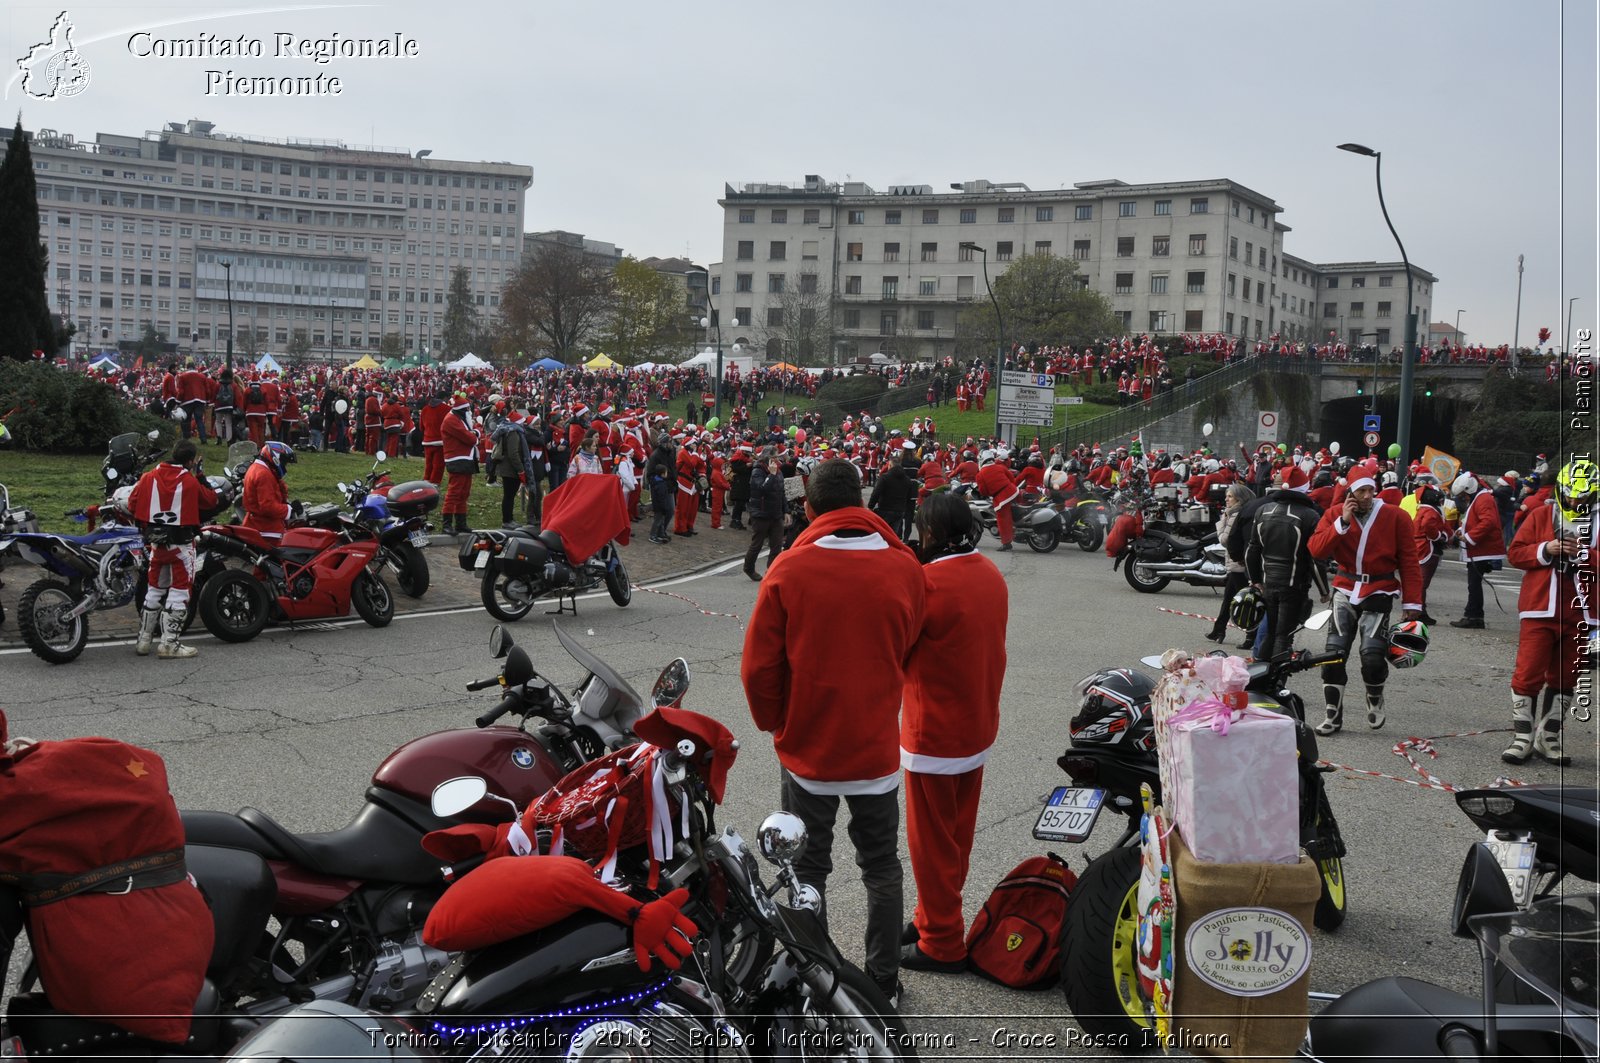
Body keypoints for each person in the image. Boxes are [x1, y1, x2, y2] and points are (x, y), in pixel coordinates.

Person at [742, 459, 926, 1003]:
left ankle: (818, 981)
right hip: (874, 745)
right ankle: (884, 982)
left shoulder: (789, 570)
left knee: (806, 869)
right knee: (881, 866)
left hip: (809, 747)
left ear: (809, 508)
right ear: (863, 504)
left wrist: (776, 721)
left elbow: (758, 669)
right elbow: (910, 642)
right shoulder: (905, 566)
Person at [900, 493, 1007, 974]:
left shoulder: (927, 583)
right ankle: (933, 917)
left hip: (933, 730)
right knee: (955, 836)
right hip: (976, 721)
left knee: (931, 843)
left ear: (930, 533)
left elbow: (896, 650)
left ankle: (942, 939)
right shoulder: (988, 572)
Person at [1307, 471, 1423, 734]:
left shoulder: (1396, 516)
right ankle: (1333, 715)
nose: (1368, 496)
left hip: (1380, 589)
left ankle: (1374, 695)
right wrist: (1342, 523)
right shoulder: (1335, 514)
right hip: (1345, 588)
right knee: (1333, 655)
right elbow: (1316, 550)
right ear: (1350, 493)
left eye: (1371, 490)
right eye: (1361, 491)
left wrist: (1413, 603)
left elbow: (1409, 561)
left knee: (1371, 656)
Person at [1501, 458, 1597, 765]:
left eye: (1583, 496)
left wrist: (1585, 554)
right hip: (1540, 607)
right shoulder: (1542, 513)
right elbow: (1515, 553)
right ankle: (1522, 737)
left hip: (1583, 613)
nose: (1575, 500)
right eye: (1570, 494)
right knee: (1527, 674)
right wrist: (1545, 549)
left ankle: (1548, 736)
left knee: (1567, 676)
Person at [128, 439, 217, 660]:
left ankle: (144, 640)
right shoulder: (189, 480)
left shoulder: (148, 477)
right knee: (179, 591)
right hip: (181, 544)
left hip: (157, 544)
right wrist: (200, 475)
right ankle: (169, 643)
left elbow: (132, 503)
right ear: (189, 460)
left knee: (154, 590)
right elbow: (211, 501)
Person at [1231, 465, 1329, 660]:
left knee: (1269, 631)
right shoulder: (1310, 515)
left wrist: (1255, 580)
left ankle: (1262, 674)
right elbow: (1315, 559)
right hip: (1294, 585)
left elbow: (1252, 550)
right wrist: (1324, 590)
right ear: (1304, 488)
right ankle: (1277, 680)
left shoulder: (1263, 510)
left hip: (1268, 582)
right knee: (1284, 636)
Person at [1449, 472, 1504, 629]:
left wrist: (1470, 536)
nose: (1464, 499)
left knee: (1473, 584)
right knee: (1474, 583)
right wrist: (1464, 530)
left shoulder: (1483, 498)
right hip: (1479, 547)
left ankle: (1473, 616)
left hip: (1481, 548)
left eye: (1464, 495)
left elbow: (1488, 521)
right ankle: (1474, 615)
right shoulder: (1481, 497)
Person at [1208, 483, 1255, 644]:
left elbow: (1224, 540)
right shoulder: (1234, 513)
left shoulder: (1235, 515)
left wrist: (1220, 523)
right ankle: (1218, 630)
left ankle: (1250, 635)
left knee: (1245, 602)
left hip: (1238, 565)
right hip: (1235, 564)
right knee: (1229, 599)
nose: (1226, 499)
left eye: (1230, 496)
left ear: (1239, 499)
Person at [241, 441, 297, 543]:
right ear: (276, 458)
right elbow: (268, 507)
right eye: (284, 462)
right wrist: (290, 510)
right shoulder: (264, 474)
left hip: (254, 522)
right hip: (267, 529)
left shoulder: (255, 468)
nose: (285, 466)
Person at [440, 392, 479, 535]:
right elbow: (469, 438)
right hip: (457, 459)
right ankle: (447, 524)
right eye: (467, 410)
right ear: (462, 410)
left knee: (464, 493)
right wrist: (475, 434)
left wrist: (474, 433)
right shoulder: (451, 420)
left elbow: (470, 434)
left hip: (465, 458)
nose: (469, 412)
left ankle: (461, 524)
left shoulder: (457, 418)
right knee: (454, 492)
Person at [743, 450, 785, 581]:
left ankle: (771, 571)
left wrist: (786, 510)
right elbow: (762, 489)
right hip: (761, 512)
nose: (777, 460)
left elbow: (781, 492)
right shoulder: (757, 471)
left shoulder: (778, 471)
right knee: (757, 543)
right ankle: (748, 567)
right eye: (775, 457)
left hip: (776, 513)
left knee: (777, 544)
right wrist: (771, 475)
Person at [490, 411, 536, 529]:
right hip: (510, 469)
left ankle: (508, 519)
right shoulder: (513, 433)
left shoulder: (510, 430)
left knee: (509, 495)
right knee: (509, 495)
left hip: (509, 468)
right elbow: (513, 453)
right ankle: (507, 520)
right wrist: (521, 470)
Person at [975, 450, 1020, 551]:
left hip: (1001, 497)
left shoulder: (980, 474)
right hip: (1013, 490)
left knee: (1002, 519)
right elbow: (1011, 478)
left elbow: (983, 491)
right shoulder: (1000, 467)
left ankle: (1006, 543)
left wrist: (990, 493)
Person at [647, 432, 677, 545]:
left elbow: (673, 467)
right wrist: (658, 483)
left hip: (670, 485)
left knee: (670, 510)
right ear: (665, 443)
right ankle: (656, 532)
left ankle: (661, 531)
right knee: (663, 511)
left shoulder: (671, 452)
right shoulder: (656, 455)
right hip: (661, 487)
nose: (672, 444)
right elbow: (650, 474)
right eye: (670, 442)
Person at [673, 439, 706, 537]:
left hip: (692, 483)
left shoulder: (692, 453)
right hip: (683, 482)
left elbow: (701, 464)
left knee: (692, 508)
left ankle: (689, 525)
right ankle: (680, 528)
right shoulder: (683, 453)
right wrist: (696, 453)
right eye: (693, 443)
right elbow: (692, 463)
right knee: (682, 507)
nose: (695, 445)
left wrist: (702, 474)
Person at [419, 390, 447, 486]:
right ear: (445, 398)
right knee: (438, 464)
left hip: (427, 439)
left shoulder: (425, 409)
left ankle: (426, 479)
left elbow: (421, 426)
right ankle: (434, 481)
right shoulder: (447, 409)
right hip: (440, 440)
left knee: (429, 462)